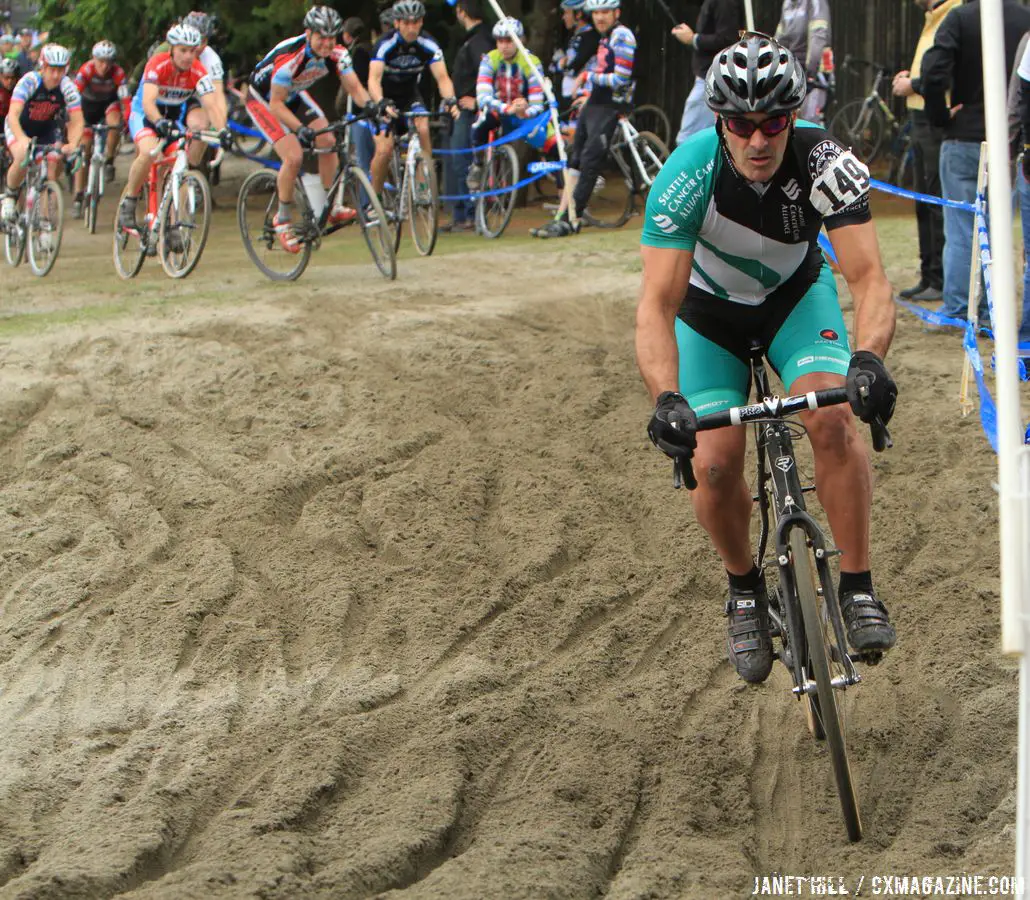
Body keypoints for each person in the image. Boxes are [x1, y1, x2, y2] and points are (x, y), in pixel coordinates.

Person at [637, 33, 899, 684]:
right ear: (720, 122)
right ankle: (745, 589)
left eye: (774, 122)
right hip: (710, 316)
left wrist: (867, 361)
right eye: (741, 125)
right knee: (715, 463)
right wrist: (665, 398)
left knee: (834, 419)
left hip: (793, 299)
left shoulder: (825, 161)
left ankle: (858, 587)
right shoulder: (685, 175)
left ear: (795, 116)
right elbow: (656, 307)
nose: (759, 140)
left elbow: (869, 280)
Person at [921, 0, 1030, 322]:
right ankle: (991, 308)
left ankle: (959, 308)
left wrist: (939, 118)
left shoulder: (959, 17)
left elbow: (932, 73)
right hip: (1008, 144)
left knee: (961, 229)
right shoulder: (1025, 20)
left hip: (964, 135)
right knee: (997, 230)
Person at [246, 6, 376, 253]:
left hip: (292, 95)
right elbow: (276, 104)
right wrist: (299, 129)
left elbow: (355, 89)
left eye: (332, 37)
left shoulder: (338, 53)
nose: (327, 44)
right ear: (308, 34)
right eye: (321, 37)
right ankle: (282, 219)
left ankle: (329, 208)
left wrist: (371, 105)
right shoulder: (290, 58)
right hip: (264, 100)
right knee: (293, 155)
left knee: (327, 140)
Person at [533, 0, 635, 238]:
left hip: (611, 106)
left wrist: (589, 77)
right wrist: (588, 93)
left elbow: (621, 78)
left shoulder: (623, 36)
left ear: (616, 13)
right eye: (596, 12)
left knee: (590, 161)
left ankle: (573, 217)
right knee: (575, 158)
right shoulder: (604, 37)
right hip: (595, 103)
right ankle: (563, 215)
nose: (600, 17)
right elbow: (603, 75)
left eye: (605, 12)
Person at [118, 23, 230, 234]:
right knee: (149, 152)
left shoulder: (198, 70)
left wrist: (222, 130)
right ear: (172, 49)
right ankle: (130, 199)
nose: (188, 56)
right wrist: (158, 121)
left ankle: (174, 224)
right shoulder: (157, 63)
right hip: (146, 115)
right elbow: (149, 101)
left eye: (192, 51)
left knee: (180, 165)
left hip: (172, 117)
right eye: (183, 50)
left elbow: (211, 104)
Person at [891, 0, 962, 304]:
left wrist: (913, 84)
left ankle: (940, 277)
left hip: (934, 120)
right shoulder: (932, 17)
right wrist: (911, 80)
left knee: (934, 200)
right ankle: (929, 274)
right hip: (919, 118)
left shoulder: (953, 15)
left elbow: (944, 74)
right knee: (922, 199)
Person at [368, 0, 460, 199]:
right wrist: (381, 102)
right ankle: (373, 199)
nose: (411, 28)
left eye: (416, 22)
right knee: (384, 149)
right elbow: (373, 79)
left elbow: (442, 77)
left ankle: (423, 184)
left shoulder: (428, 44)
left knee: (423, 126)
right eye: (407, 23)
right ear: (397, 23)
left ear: (422, 22)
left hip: (410, 95)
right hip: (384, 96)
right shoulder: (385, 44)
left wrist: (451, 100)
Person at [467, 17, 558, 193]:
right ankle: (477, 165)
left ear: (520, 40)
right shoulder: (489, 59)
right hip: (498, 111)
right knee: (480, 122)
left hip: (523, 115)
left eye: (509, 40)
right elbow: (483, 96)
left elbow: (538, 102)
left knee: (552, 144)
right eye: (500, 41)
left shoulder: (531, 62)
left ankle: (566, 192)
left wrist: (525, 111)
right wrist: (505, 108)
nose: (504, 46)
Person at [1, 44, 83, 222]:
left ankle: (45, 222)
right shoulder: (29, 81)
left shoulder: (67, 86)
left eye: (60, 70)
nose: (56, 75)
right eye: (52, 70)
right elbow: (13, 114)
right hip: (19, 125)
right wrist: (22, 139)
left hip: (46, 128)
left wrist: (74, 143)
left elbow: (77, 120)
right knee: (22, 156)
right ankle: (10, 193)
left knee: (52, 165)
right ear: (43, 67)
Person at [445, 0, 494, 232]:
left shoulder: (479, 40)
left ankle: (471, 213)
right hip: (463, 109)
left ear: (461, 12)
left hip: (471, 111)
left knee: (463, 160)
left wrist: (477, 100)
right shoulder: (473, 38)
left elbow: (488, 69)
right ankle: (464, 213)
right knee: (461, 160)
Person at [670, 0, 744, 145]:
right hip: (710, 78)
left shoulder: (724, 3)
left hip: (713, 80)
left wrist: (693, 39)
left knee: (686, 141)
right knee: (711, 140)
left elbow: (727, 40)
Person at [72, 40, 131, 216]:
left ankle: (110, 161)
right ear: (94, 59)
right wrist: (75, 120)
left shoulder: (118, 73)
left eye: (108, 62)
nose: (104, 66)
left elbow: (125, 100)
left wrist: (126, 120)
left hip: (108, 104)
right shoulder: (86, 71)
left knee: (114, 123)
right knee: (84, 149)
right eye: (100, 61)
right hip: (87, 107)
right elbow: (74, 96)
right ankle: (78, 194)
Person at [774, 0, 832, 125]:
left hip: (815, 70)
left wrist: (811, 73)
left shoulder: (816, 2)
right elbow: (780, 39)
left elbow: (818, 37)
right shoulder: (787, 4)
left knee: (810, 120)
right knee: (791, 120)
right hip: (793, 69)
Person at [551, 0, 599, 112]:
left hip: (583, 93)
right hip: (568, 93)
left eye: (567, 13)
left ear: (578, 14)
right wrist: (560, 64)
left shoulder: (591, 37)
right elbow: (554, 64)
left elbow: (573, 68)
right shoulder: (572, 36)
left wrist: (561, 65)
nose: (563, 17)